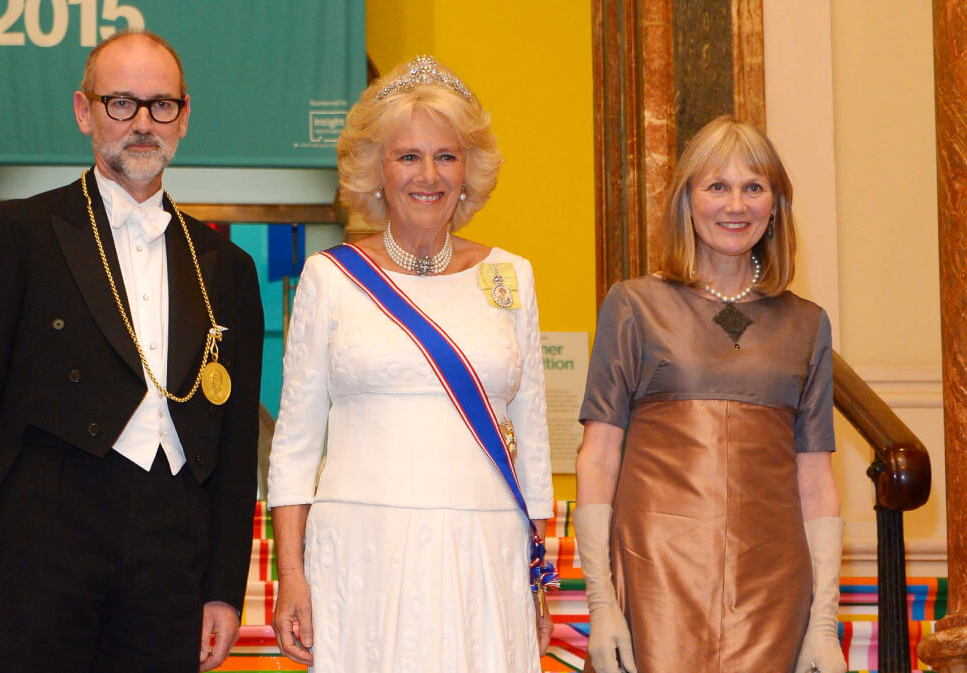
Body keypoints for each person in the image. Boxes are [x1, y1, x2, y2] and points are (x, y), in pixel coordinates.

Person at [0, 30, 263, 673]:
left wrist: (222, 587)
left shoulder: (227, 266)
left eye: (161, 105)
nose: (141, 122)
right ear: (84, 111)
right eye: (120, 103)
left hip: (172, 554)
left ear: (184, 118)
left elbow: (235, 444)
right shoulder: (15, 235)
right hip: (43, 545)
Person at [266, 56, 555, 672]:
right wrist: (290, 574)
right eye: (408, 157)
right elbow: (292, 449)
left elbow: (531, 443)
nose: (429, 175)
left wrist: (537, 577)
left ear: (469, 171)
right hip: (363, 550)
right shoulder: (331, 277)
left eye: (446, 156)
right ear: (377, 171)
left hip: (486, 547)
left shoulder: (512, 276)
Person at [574, 116, 846, 673]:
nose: (735, 205)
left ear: (775, 205)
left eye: (753, 187)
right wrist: (601, 603)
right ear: (687, 200)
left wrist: (823, 620)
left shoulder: (807, 324)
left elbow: (816, 478)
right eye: (716, 186)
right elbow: (598, 456)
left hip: (774, 585)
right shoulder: (633, 305)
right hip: (656, 578)